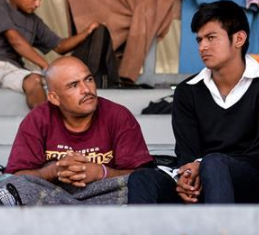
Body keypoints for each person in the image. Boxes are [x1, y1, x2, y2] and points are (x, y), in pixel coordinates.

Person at [127, 0, 259, 235]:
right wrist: (186, 177)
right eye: (199, 39)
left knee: (214, 162)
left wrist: (204, 164)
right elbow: (187, 153)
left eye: (211, 38)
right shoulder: (187, 91)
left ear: (239, 39)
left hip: (256, 184)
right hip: (204, 184)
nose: (202, 46)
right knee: (142, 178)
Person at [4, 56, 152, 184]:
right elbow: (15, 178)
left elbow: (143, 176)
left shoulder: (118, 116)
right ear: (54, 98)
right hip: (52, 197)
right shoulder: (37, 120)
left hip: (107, 197)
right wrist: (54, 171)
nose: (86, 89)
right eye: (74, 85)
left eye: (89, 79)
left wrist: (101, 173)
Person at [0, 0, 103, 108]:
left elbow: (60, 46)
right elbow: (15, 40)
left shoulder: (34, 21)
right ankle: (44, 121)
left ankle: (47, 119)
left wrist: (87, 31)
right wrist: (46, 66)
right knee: (41, 77)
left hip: (13, 69)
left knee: (46, 81)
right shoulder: (1, 3)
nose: (38, 4)